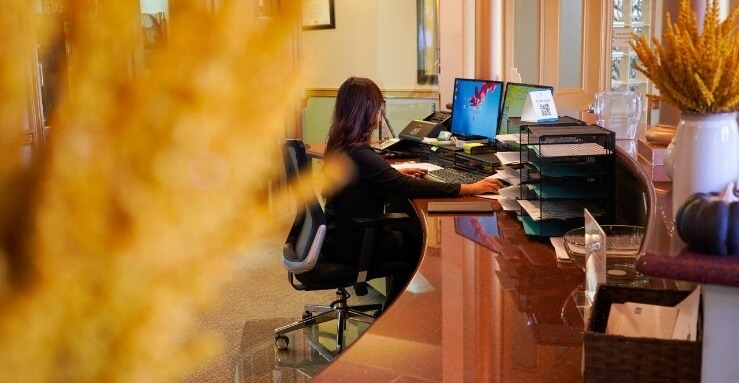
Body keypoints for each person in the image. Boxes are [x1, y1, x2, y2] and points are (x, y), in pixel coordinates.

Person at [321, 77, 503, 299]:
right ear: (366, 112)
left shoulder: (339, 144)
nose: (380, 116)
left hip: (338, 236)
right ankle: (395, 314)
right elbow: (405, 187)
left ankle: (395, 308)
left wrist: (392, 173)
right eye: (378, 109)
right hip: (352, 243)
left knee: (411, 228)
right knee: (417, 242)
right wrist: (468, 188)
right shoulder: (360, 153)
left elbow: (373, 178)